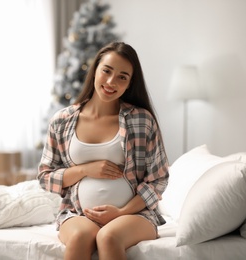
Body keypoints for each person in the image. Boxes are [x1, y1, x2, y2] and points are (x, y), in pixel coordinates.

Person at [38, 41, 169, 260]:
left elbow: (158, 180)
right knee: (80, 237)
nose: (111, 82)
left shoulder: (141, 120)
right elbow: (45, 177)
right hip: (78, 213)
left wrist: (120, 212)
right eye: (106, 71)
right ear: (95, 70)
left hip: (134, 215)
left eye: (122, 77)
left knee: (108, 237)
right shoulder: (62, 120)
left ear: (129, 84)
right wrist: (85, 170)